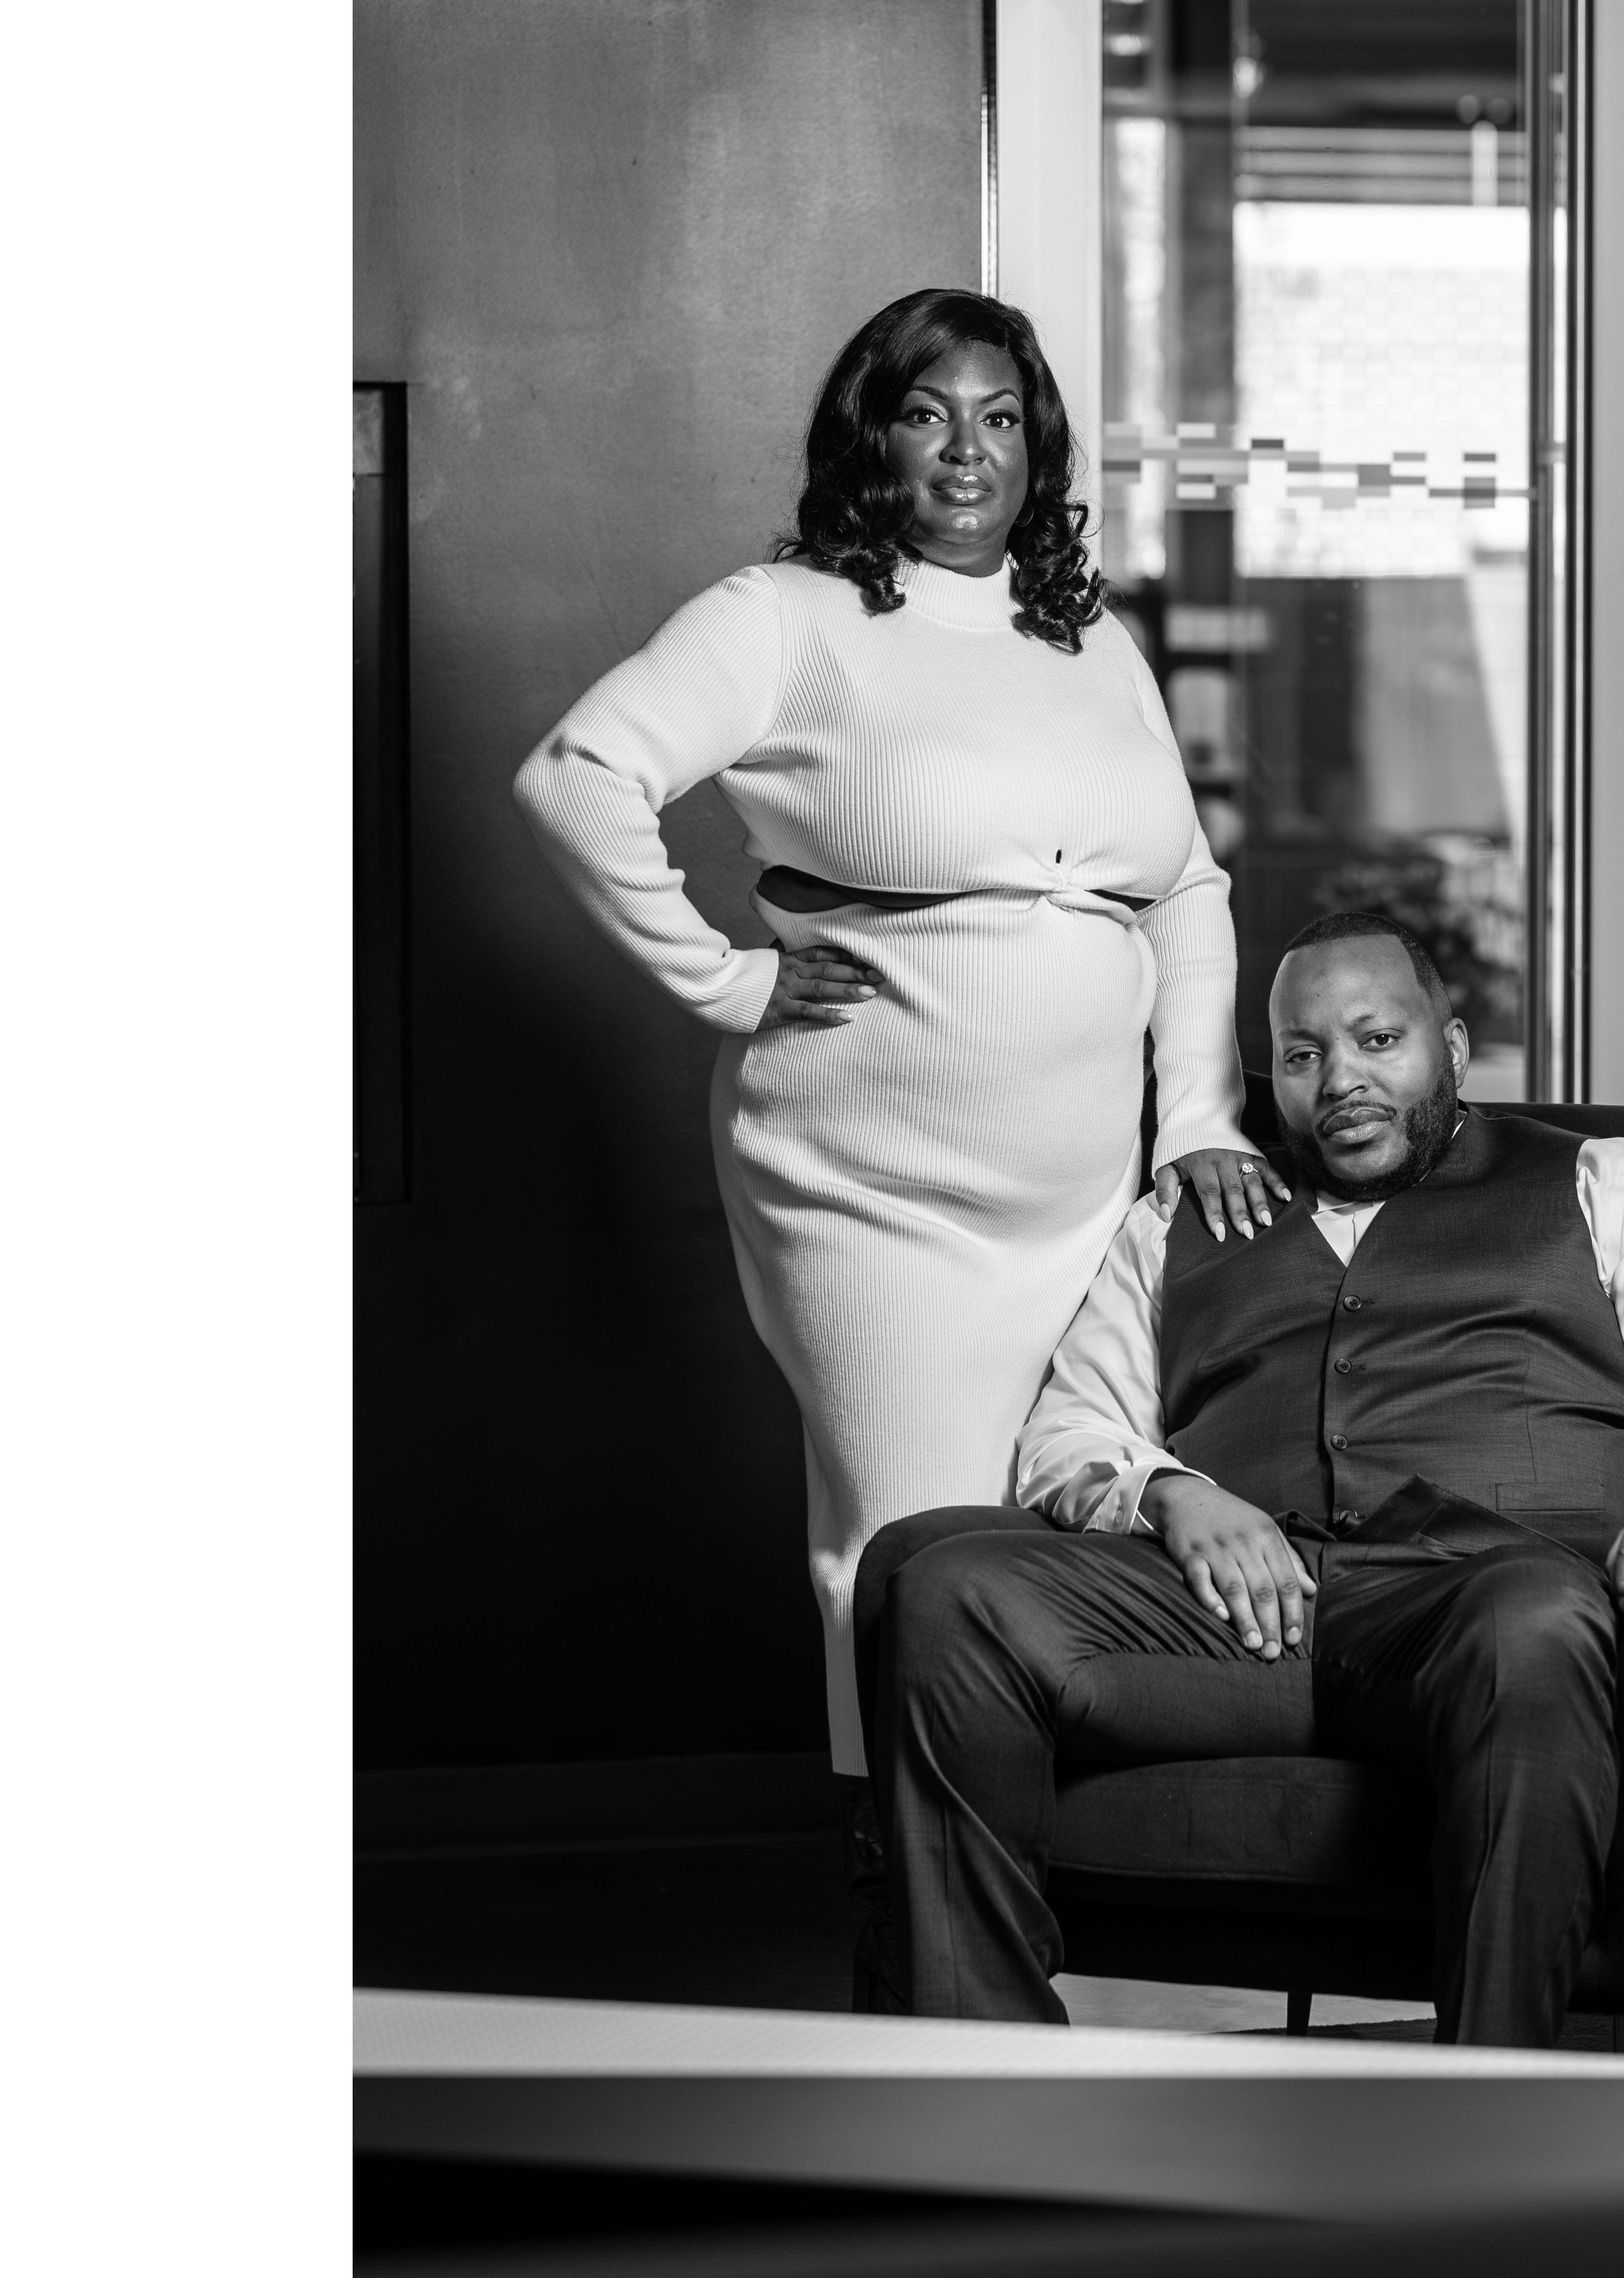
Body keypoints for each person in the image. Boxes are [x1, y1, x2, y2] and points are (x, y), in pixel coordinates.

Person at [512, 289, 1289, 1811]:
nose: (966, 452)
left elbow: (1185, 890)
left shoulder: (1089, 639)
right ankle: (910, 1875)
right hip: (878, 1187)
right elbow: (576, 776)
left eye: (1000, 419)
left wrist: (1199, 1114)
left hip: (1089, 1191)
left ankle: (1038, 1861)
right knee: (912, 1541)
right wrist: (725, 981)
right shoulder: (785, 616)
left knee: (1081, 1504)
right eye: (928, 415)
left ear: (1038, 446)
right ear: (872, 437)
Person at [871, 909, 1624, 2048]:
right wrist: (1174, 1494)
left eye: (1378, 1040)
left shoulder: (1606, 1182)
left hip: (1477, 1605)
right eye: (1304, 1054)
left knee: (1535, 1615)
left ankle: (1493, 2094)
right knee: (952, 1589)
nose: (1342, 1080)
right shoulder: (1179, 1222)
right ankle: (985, 2074)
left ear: (1450, 1047)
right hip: (1235, 1622)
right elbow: (1070, 1431)